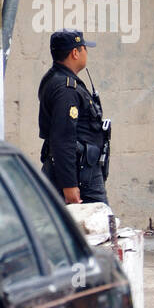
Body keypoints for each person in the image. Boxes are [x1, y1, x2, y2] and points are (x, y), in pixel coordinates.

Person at [38, 28, 110, 205]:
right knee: (99, 226)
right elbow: (63, 138)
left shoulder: (57, 79)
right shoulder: (66, 89)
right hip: (80, 174)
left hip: (78, 169)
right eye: (84, 48)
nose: (87, 52)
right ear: (75, 53)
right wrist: (69, 184)